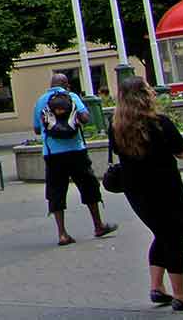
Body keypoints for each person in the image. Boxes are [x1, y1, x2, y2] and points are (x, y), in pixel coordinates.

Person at [109, 76, 183, 311]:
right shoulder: (160, 123)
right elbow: (182, 152)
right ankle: (181, 296)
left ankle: (157, 287)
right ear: (144, 95)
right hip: (165, 188)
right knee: (172, 238)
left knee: (162, 234)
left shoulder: (116, 128)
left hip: (137, 192)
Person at [33, 72, 117, 246]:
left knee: (56, 191)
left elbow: (36, 128)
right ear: (66, 84)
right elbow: (85, 118)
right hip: (76, 150)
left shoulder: (41, 101)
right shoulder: (71, 97)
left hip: (52, 154)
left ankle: (62, 233)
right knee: (88, 186)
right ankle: (98, 225)